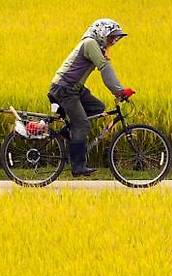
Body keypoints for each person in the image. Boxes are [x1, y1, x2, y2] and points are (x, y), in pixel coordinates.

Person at [48, 19, 135, 177]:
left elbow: (105, 66)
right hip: (65, 88)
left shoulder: (95, 46)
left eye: (115, 39)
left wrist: (118, 91)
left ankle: (66, 134)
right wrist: (120, 91)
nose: (113, 41)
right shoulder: (89, 44)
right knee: (82, 125)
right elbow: (105, 68)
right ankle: (78, 166)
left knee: (97, 108)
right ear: (101, 33)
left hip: (74, 88)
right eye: (111, 38)